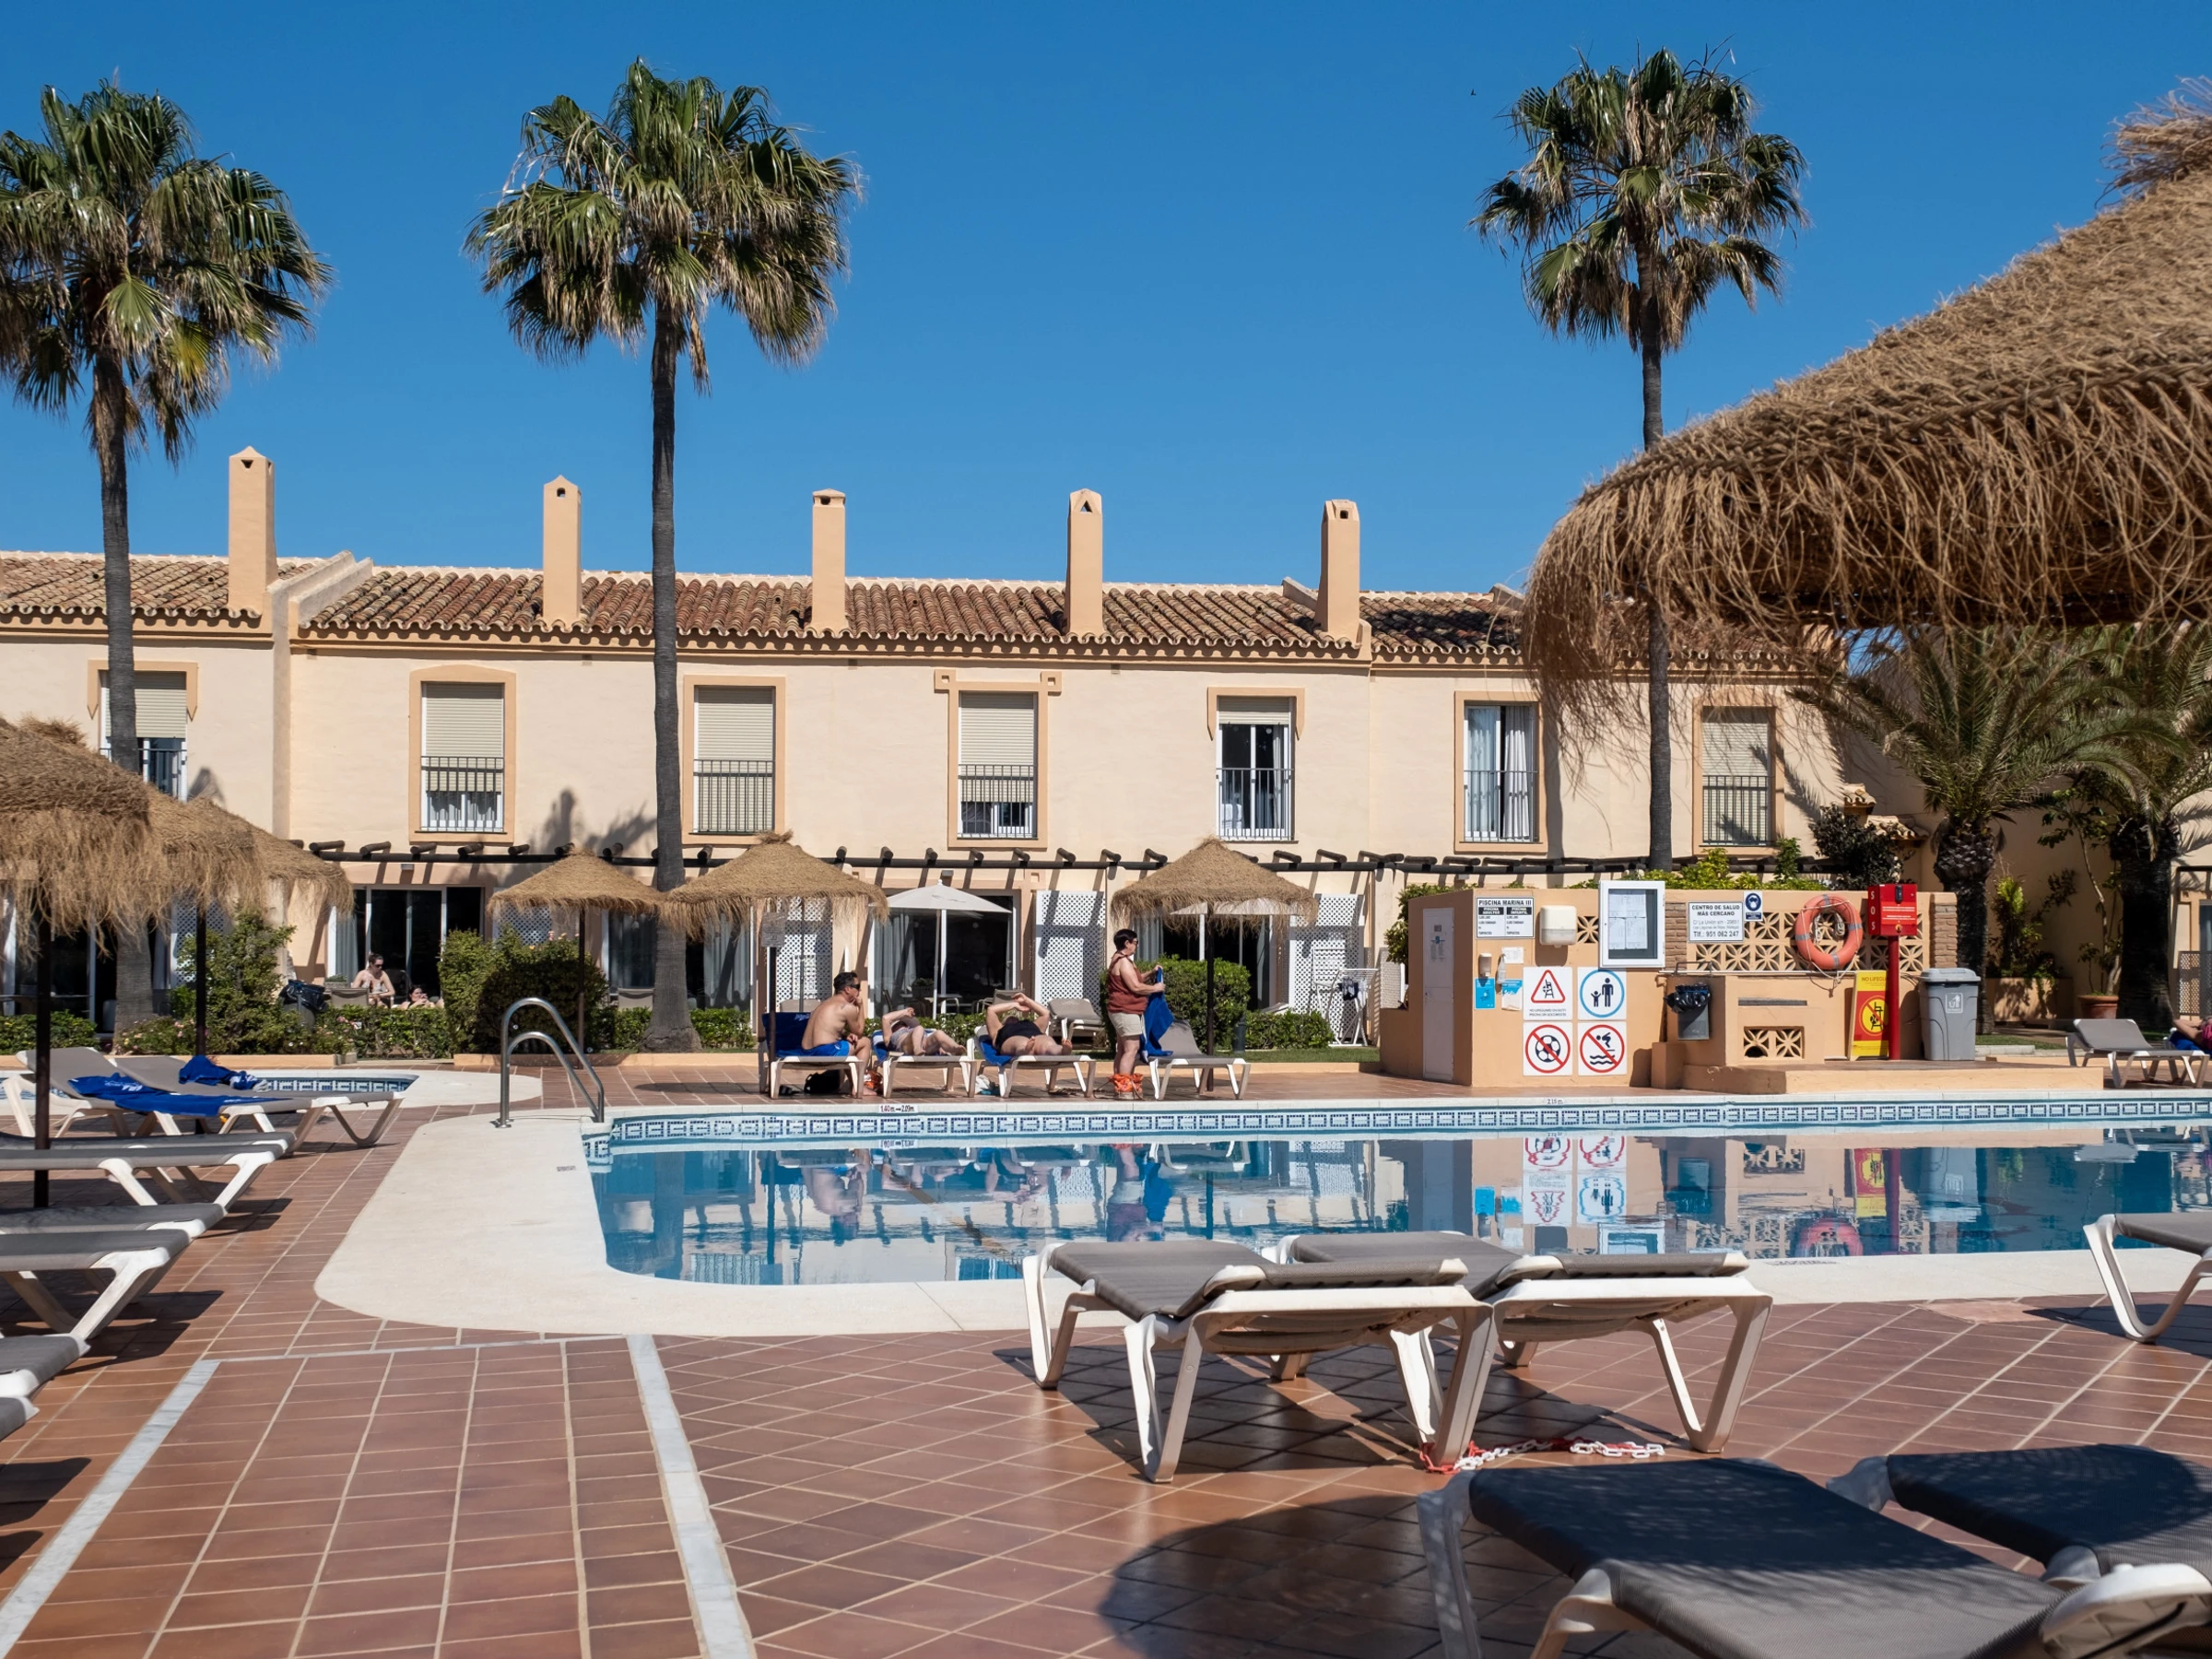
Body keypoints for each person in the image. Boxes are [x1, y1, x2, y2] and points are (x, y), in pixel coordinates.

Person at [1104, 928, 1167, 1098]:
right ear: (1127, 943)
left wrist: (1151, 973)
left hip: (1121, 1010)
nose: (1137, 945)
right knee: (1132, 1049)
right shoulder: (1124, 962)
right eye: (1136, 942)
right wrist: (1155, 988)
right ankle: (1125, 1089)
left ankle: (1120, 1087)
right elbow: (1135, 987)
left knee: (1122, 1049)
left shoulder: (1119, 959)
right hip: (1125, 1010)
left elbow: (1133, 980)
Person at [979, 993, 1069, 1096]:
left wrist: (1026, 1000)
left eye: (1013, 1017)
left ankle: (1062, 1050)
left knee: (1048, 1043)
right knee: (1021, 1043)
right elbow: (991, 1010)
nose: (1011, 1017)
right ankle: (1025, 1050)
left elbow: (1045, 1013)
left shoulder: (1033, 1025)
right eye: (1008, 1018)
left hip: (1036, 1038)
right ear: (1003, 1023)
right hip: (1012, 1039)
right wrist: (1014, 1005)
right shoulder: (998, 1029)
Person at [798, 972, 870, 1087]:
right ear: (847, 989)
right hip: (824, 1053)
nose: (860, 990)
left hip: (806, 1052)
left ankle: (851, 1084)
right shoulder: (847, 1007)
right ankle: (858, 1086)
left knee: (847, 1044)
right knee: (865, 1042)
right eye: (857, 987)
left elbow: (828, 1029)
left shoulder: (823, 1004)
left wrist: (846, 1035)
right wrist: (861, 1007)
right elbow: (859, 1032)